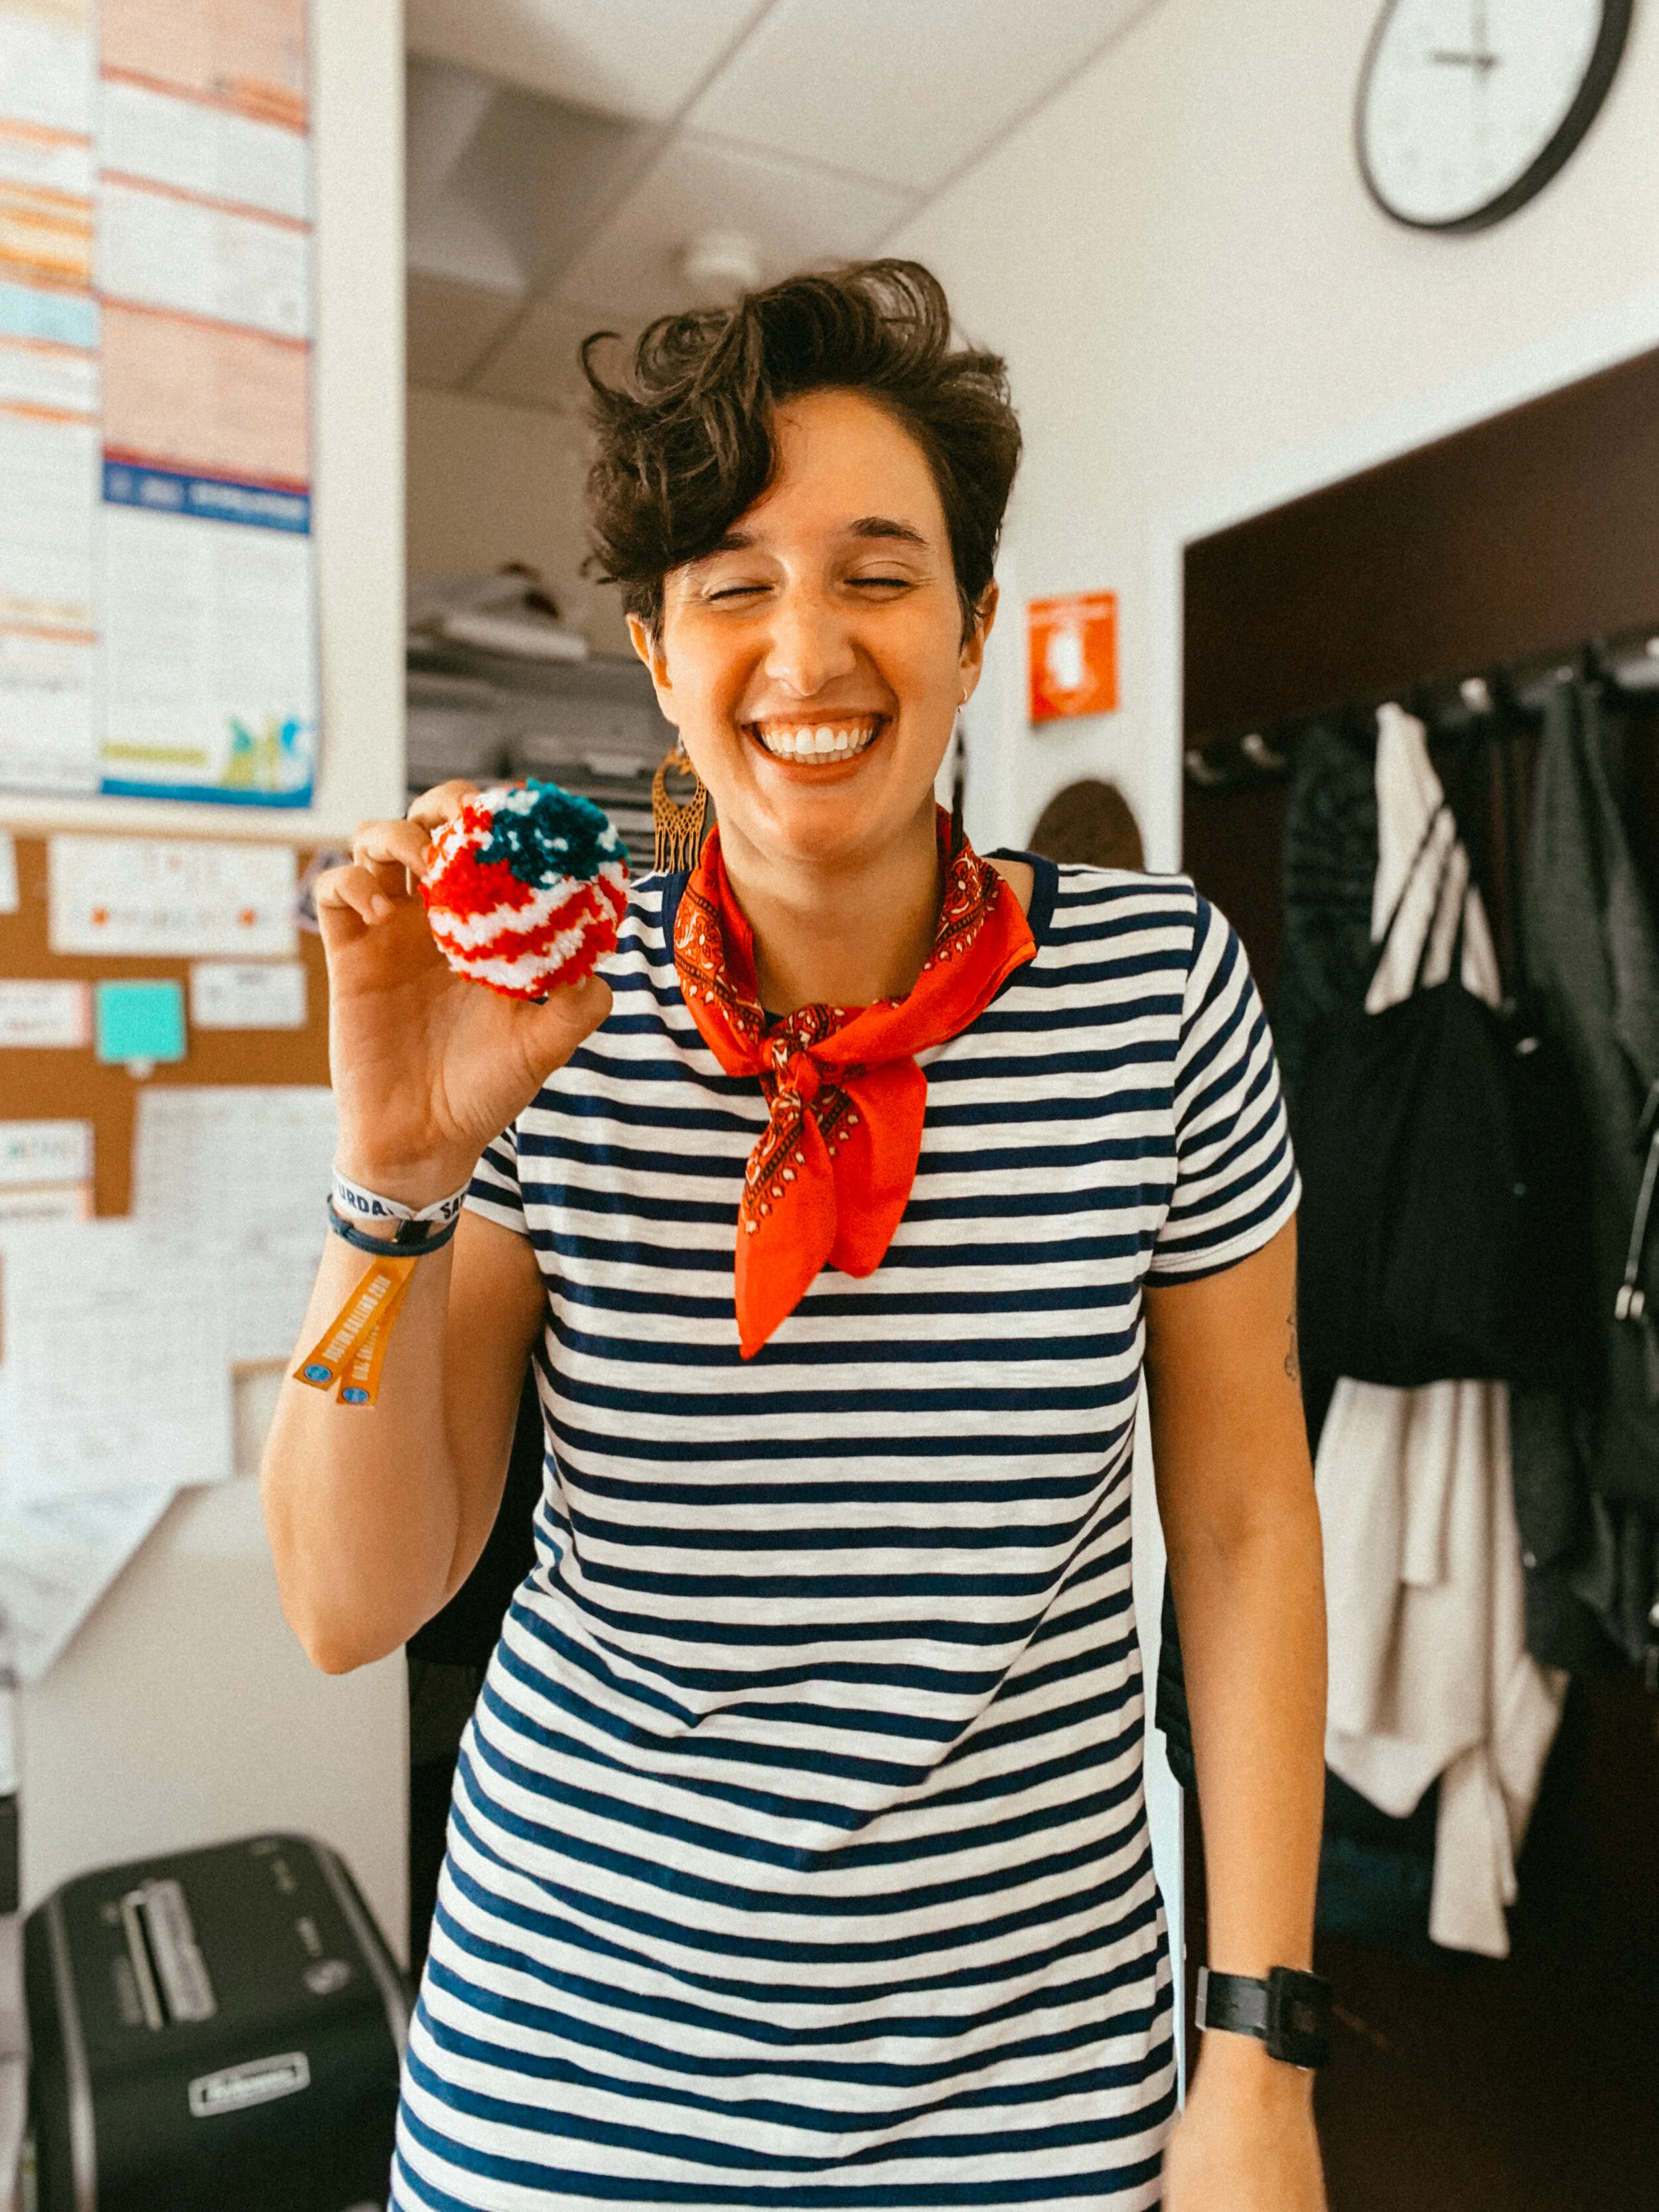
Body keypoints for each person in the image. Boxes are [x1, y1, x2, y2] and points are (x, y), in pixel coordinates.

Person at [262, 261, 1327, 2212]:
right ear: (660, 654)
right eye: (734, 586)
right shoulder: (552, 1017)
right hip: (567, 2086)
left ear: (977, 624)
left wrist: (1255, 2043)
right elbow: (352, 1599)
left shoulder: (1160, 993)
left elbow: (1246, 1523)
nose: (807, 647)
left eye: (876, 569)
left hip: (1034, 2088)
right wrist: (393, 1179)